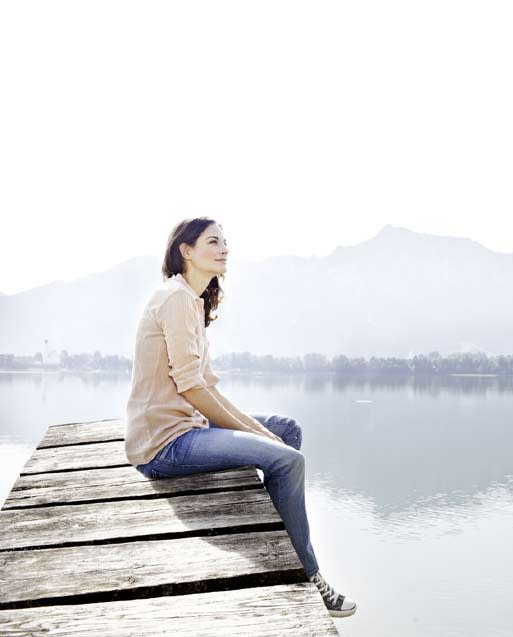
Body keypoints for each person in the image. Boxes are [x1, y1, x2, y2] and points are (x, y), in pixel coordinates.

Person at [124, 217, 356, 618]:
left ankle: (272, 535)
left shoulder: (191, 301)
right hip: (164, 445)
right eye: (213, 242)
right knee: (288, 458)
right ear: (186, 250)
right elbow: (192, 389)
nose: (224, 249)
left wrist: (259, 430)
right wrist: (256, 434)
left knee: (286, 430)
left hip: (188, 426)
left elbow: (206, 387)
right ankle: (308, 574)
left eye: (226, 242)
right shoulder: (175, 299)